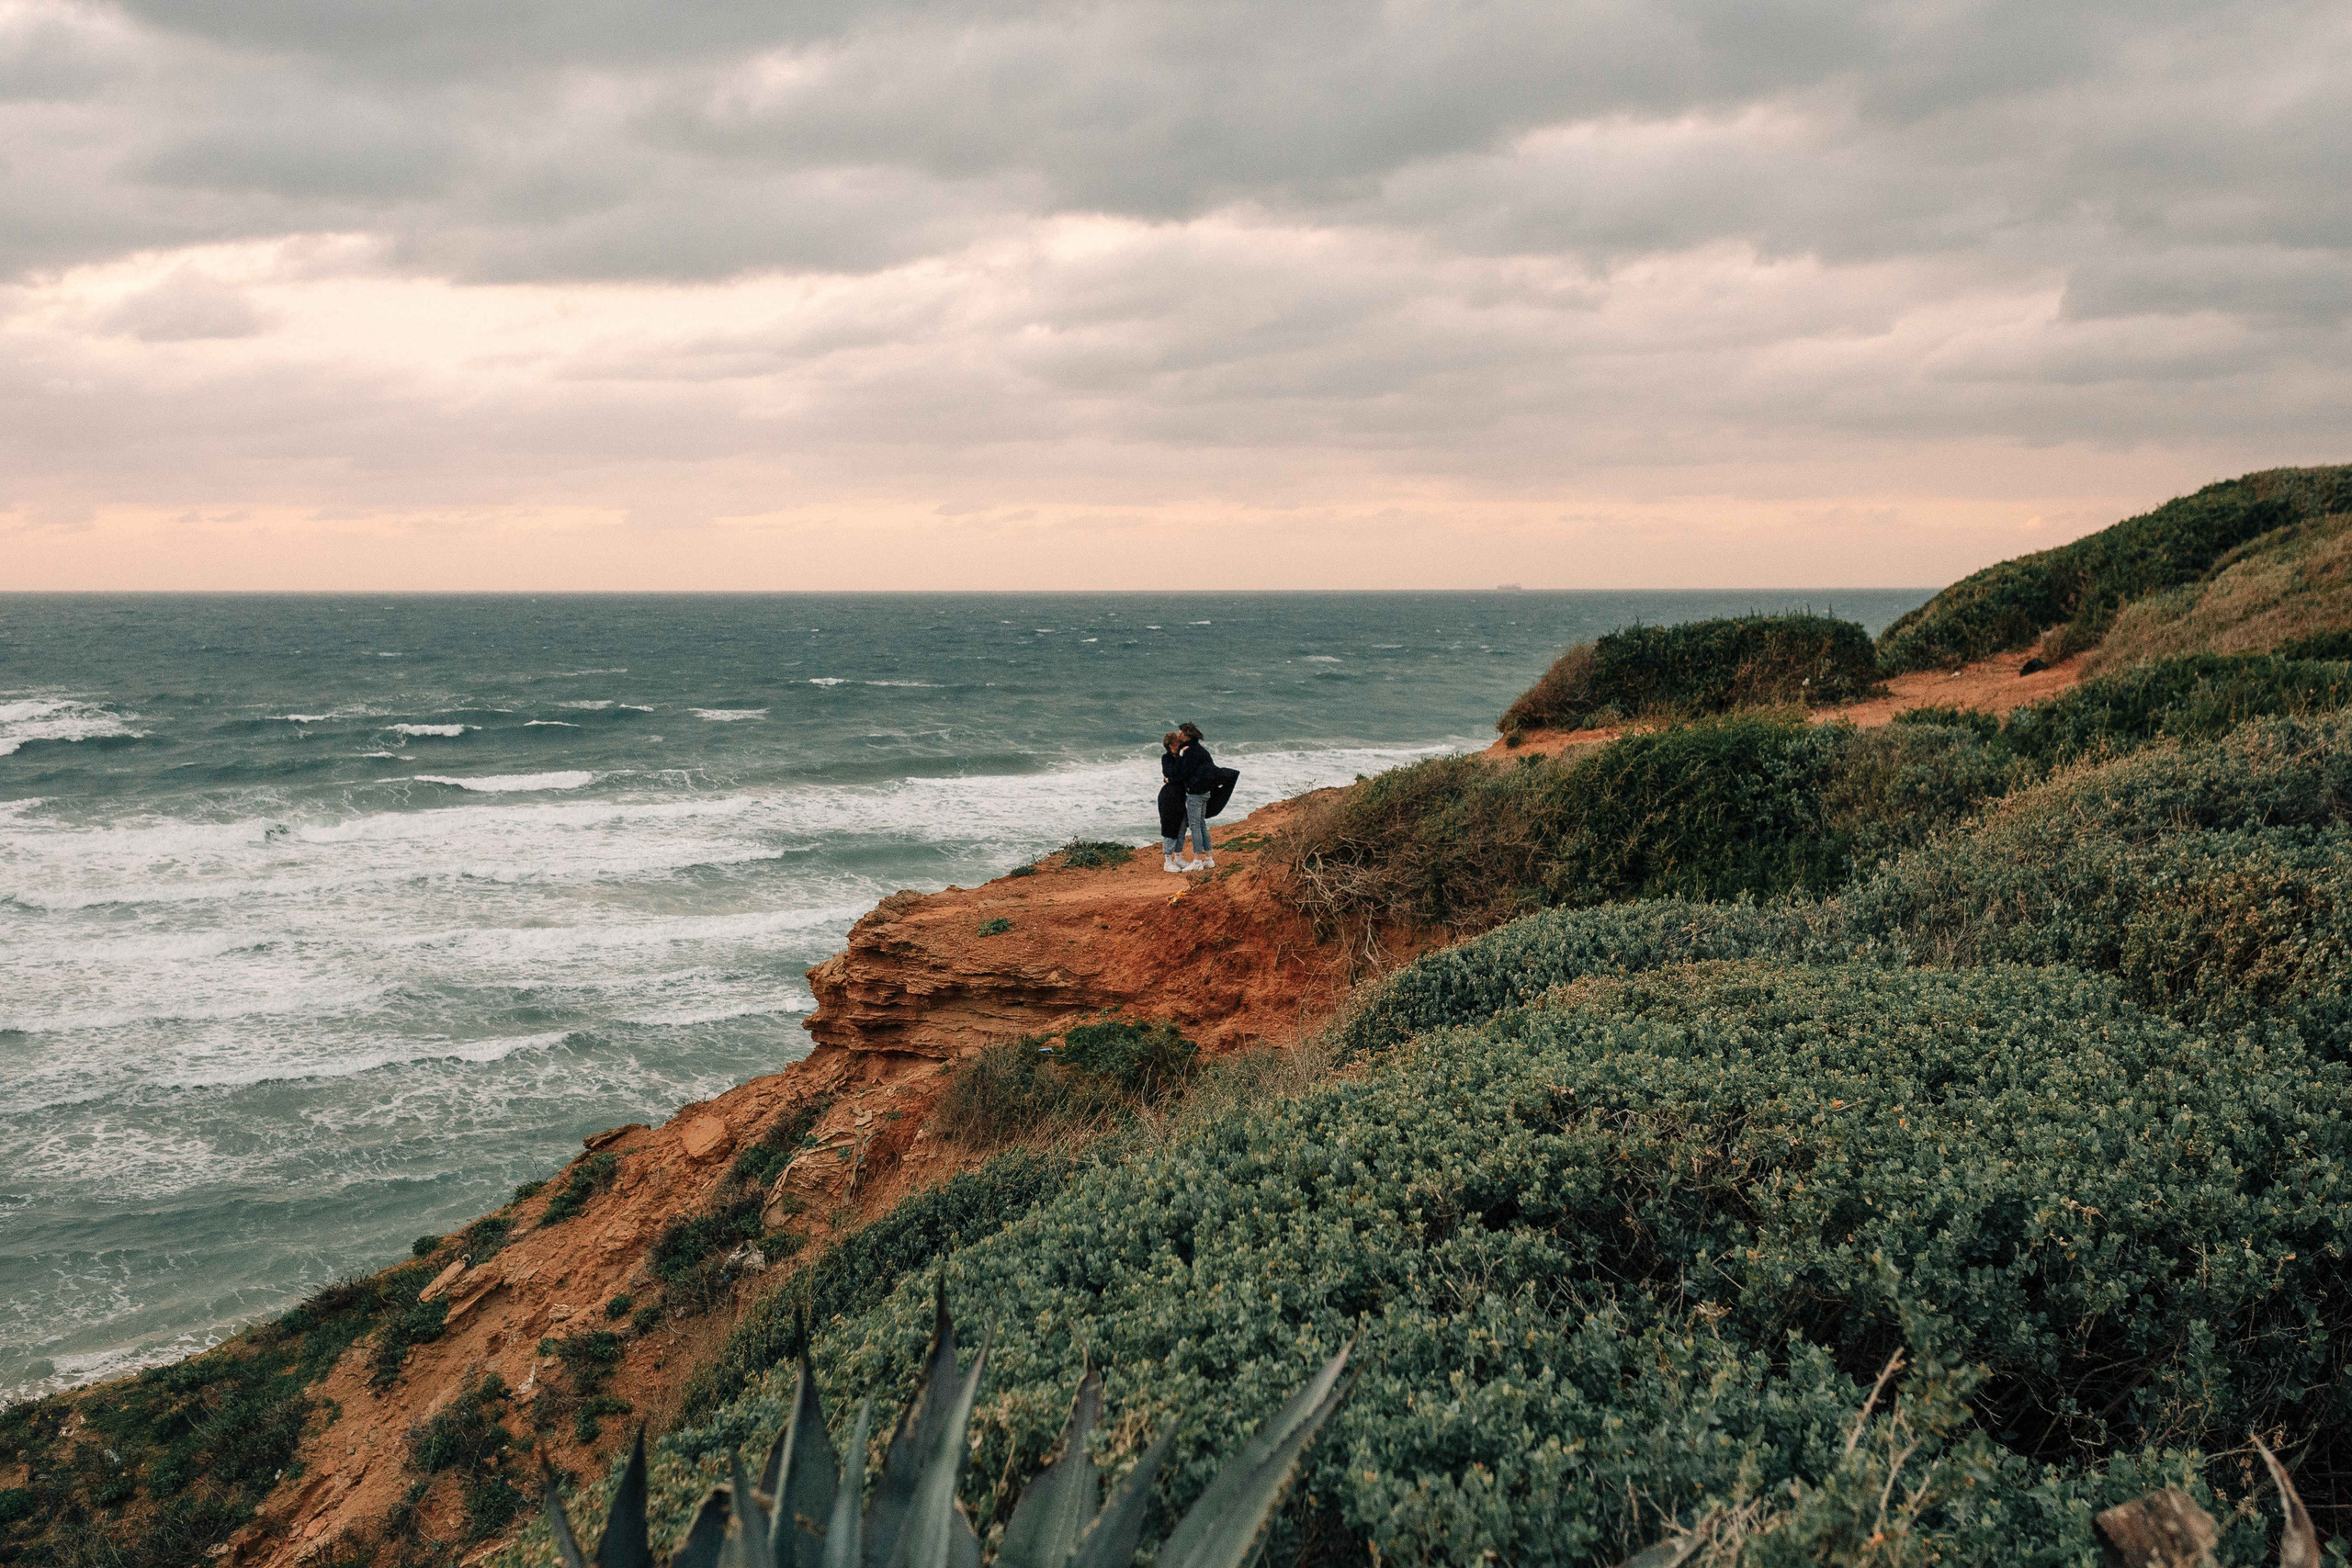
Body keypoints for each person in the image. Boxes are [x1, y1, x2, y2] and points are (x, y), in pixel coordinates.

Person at [1171, 721, 1227, 870]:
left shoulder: (1189, 751)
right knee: (1201, 824)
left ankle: (1197, 861)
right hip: (1205, 792)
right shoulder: (1201, 750)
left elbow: (1184, 773)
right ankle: (1209, 859)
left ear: (1187, 735)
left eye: (1180, 733)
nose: (1178, 735)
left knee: (1195, 825)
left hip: (1195, 794)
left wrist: (1178, 758)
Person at [1158, 731, 1191, 873]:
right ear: (1171, 745)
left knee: (1182, 825)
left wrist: (1171, 778)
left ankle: (1178, 856)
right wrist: (1170, 778)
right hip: (1169, 795)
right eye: (1178, 742)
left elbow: (1182, 775)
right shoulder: (1166, 758)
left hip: (1180, 795)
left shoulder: (1180, 757)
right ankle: (1167, 860)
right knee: (1169, 826)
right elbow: (1173, 773)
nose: (1181, 744)